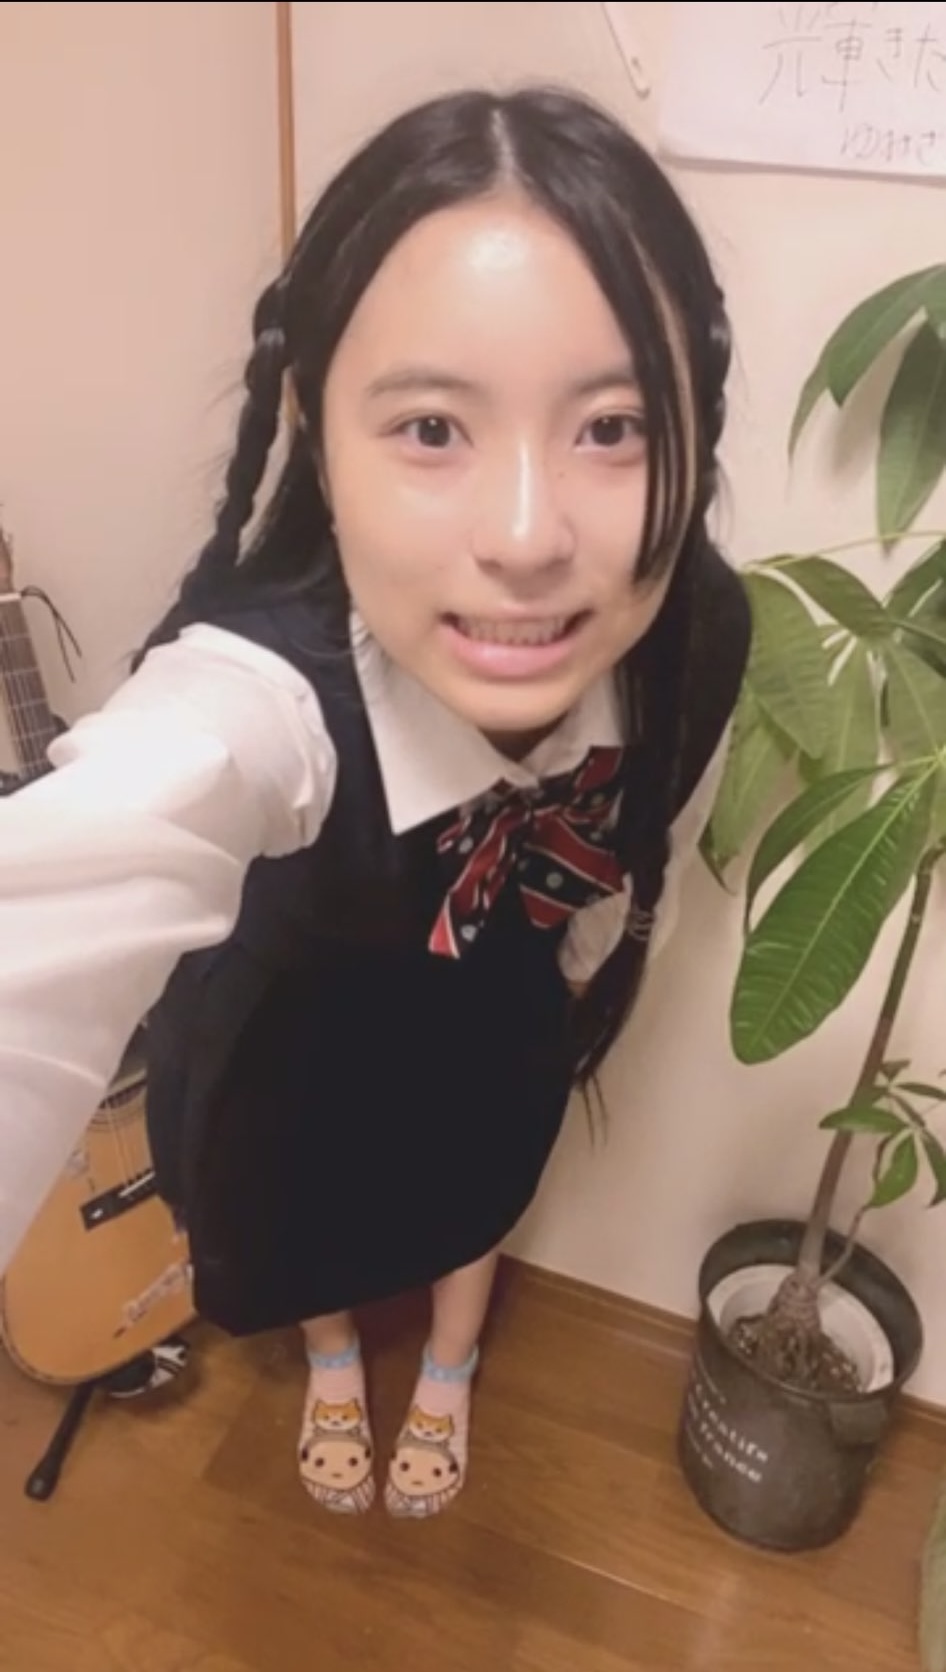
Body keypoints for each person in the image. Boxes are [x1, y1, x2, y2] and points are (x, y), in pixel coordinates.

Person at [0, 84, 750, 1518]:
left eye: (612, 426)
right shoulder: (262, 701)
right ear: (317, 423)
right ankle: (334, 1358)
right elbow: (94, 856)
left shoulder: (701, 633)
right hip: (298, 1050)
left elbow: (617, 853)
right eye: (430, 428)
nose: (524, 538)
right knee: (308, 1217)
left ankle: (450, 1366)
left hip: (497, 1016)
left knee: (480, 1180)